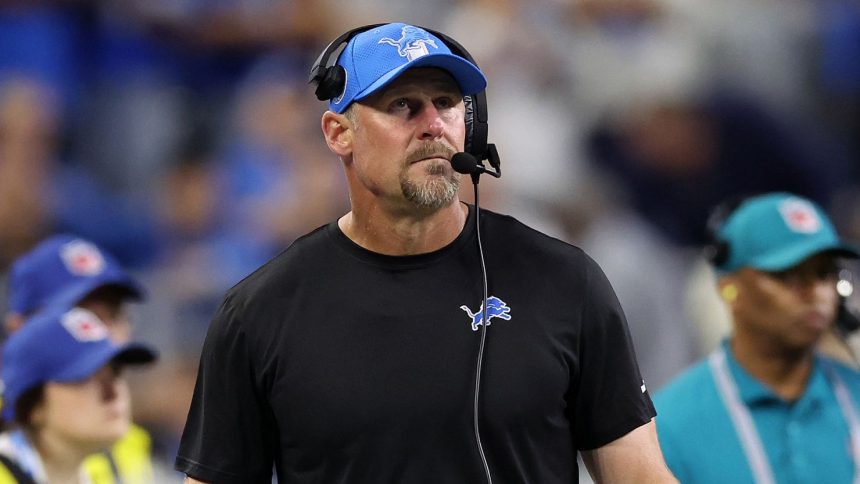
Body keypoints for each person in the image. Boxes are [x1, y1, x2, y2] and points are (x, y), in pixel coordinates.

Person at [175, 22, 677, 483]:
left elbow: (639, 476)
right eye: (403, 106)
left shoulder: (565, 281)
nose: (434, 124)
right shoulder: (260, 313)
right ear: (338, 132)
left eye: (447, 102)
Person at [654, 192, 860, 483]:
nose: (816, 292)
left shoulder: (855, 394)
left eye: (824, 273)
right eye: (788, 274)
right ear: (730, 289)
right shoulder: (670, 425)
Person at [4, 235, 157, 483]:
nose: (101, 333)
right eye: (79, 314)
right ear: (19, 328)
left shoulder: (125, 442)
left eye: (115, 314)